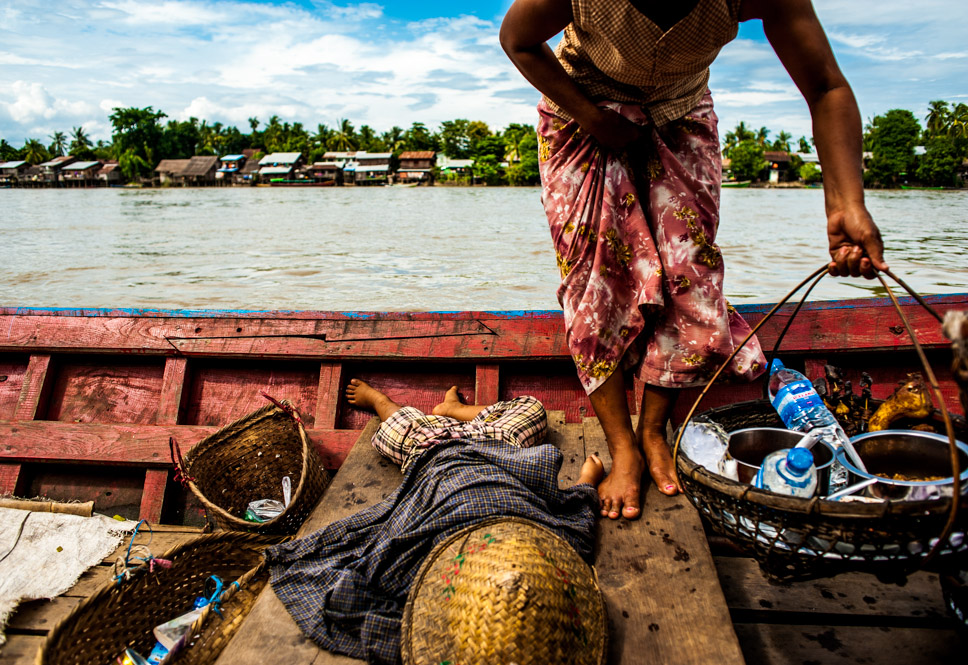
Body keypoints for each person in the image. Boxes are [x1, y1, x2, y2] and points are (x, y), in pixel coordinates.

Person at [500, 0, 888, 521]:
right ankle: (623, 447)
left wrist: (846, 204)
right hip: (580, 108)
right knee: (594, 280)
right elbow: (519, 39)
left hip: (681, 111)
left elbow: (827, 87)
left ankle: (653, 432)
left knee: (692, 274)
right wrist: (597, 120)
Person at [265, 379, 603, 663]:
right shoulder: (560, 546)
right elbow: (580, 529)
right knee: (532, 409)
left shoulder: (420, 565)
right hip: (500, 446)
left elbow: (579, 524)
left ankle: (385, 402)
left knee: (404, 425)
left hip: (436, 453)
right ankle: (454, 411)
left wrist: (587, 480)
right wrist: (588, 478)